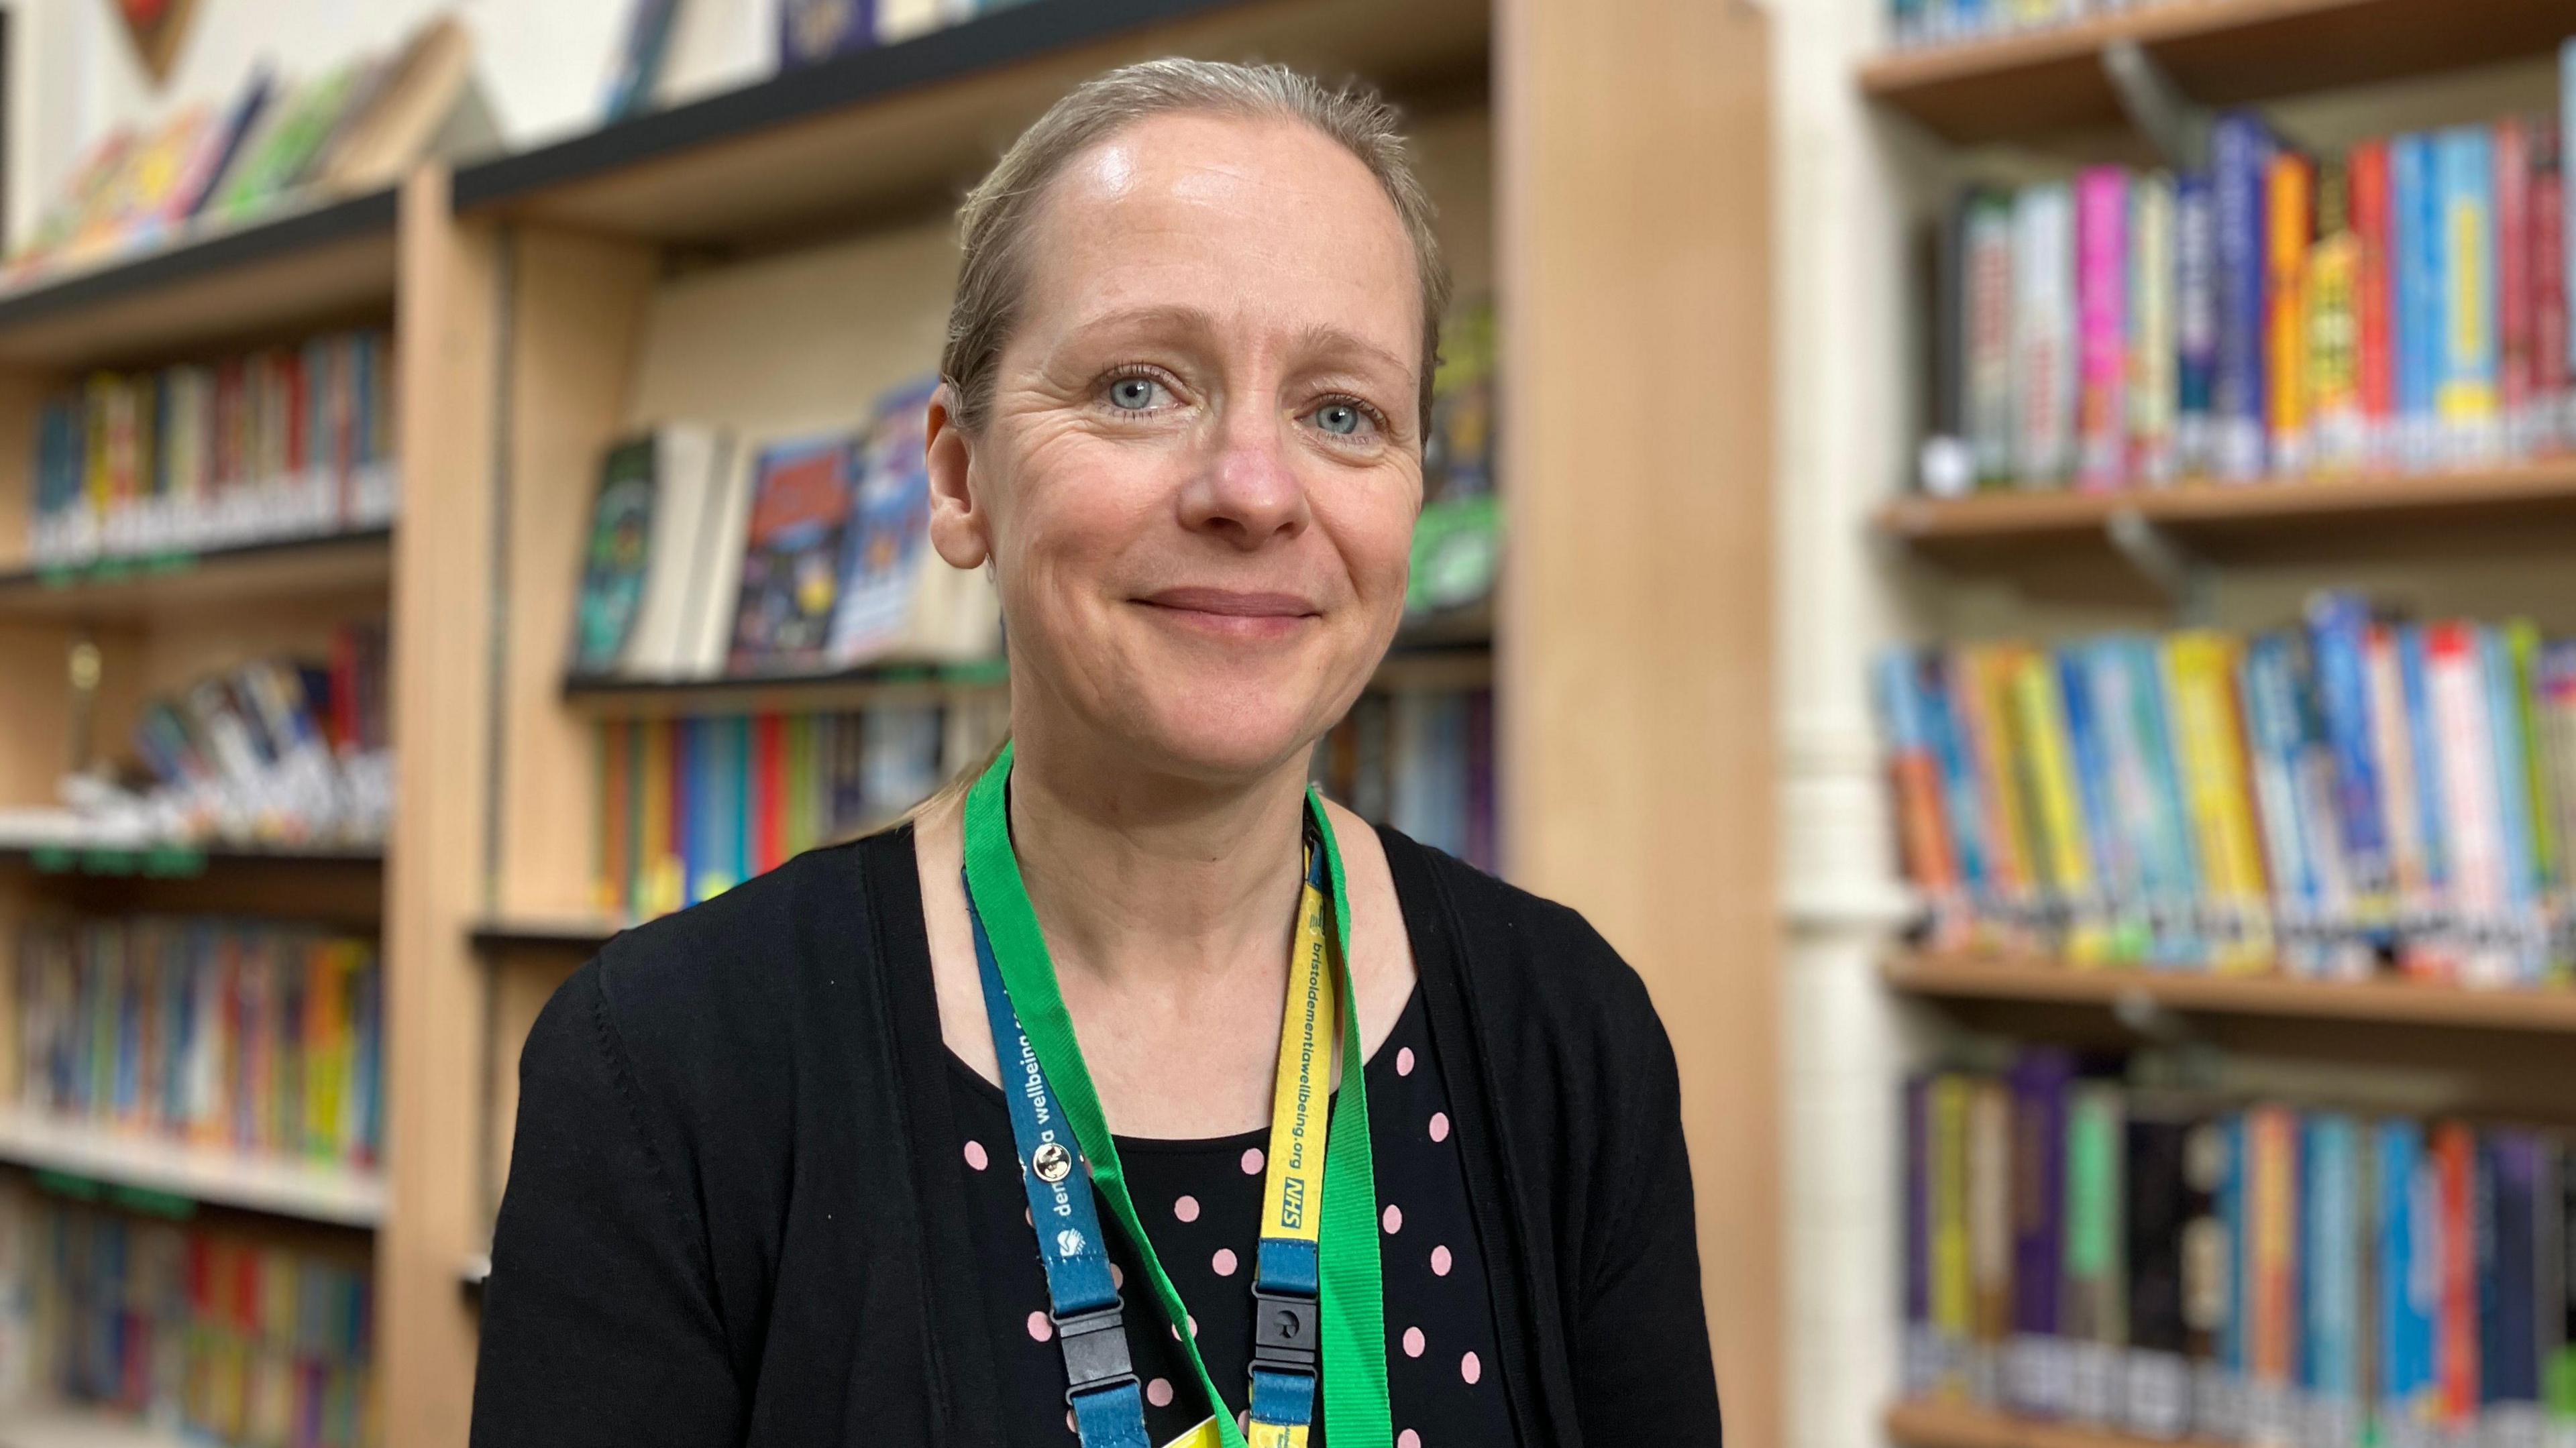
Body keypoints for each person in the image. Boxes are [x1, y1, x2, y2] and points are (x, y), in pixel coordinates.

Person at [470, 58, 1720, 1448]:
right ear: (958, 477)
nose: (1251, 488)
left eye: (1342, 412)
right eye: (1139, 386)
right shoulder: (664, 1067)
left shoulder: (1571, 1036)